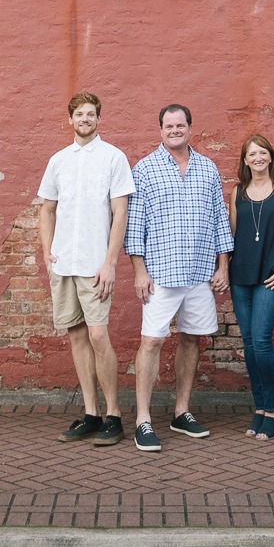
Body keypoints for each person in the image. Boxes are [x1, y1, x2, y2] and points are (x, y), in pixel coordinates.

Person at [124, 103, 233, 453]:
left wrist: (223, 266)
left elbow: (219, 219)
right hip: (159, 273)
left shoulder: (207, 168)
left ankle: (181, 412)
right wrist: (139, 271)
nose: (175, 130)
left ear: (190, 127)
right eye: (168, 126)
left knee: (191, 338)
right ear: (160, 130)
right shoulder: (144, 169)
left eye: (180, 125)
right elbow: (134, 225)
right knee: (152, 341)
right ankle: (143, 419)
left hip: (201, 271)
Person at [37, 91, 135, 446]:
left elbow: (120, 212)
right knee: (76, 336)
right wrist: (47, 252)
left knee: (97, 335)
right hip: (64, 263)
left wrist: (110, 262)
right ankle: (91, 414)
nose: (85, 119)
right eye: (79, 114)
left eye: (91, 114)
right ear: (70, 119)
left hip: (96, 265)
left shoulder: (113, 158)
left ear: (98, 119)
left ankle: (114, 415)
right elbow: (47, 209)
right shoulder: (58, 160)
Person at [228, 134, 274, 440]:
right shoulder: (237, 192)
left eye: (262, 153)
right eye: (251, 154)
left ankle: (272, 409)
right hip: (241, 274)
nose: (257, 158)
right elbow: (231, 235)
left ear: (270, 156)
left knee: (260, 340)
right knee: (247, 343)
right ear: (245, 160)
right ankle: (259, 408)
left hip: (273, 275)